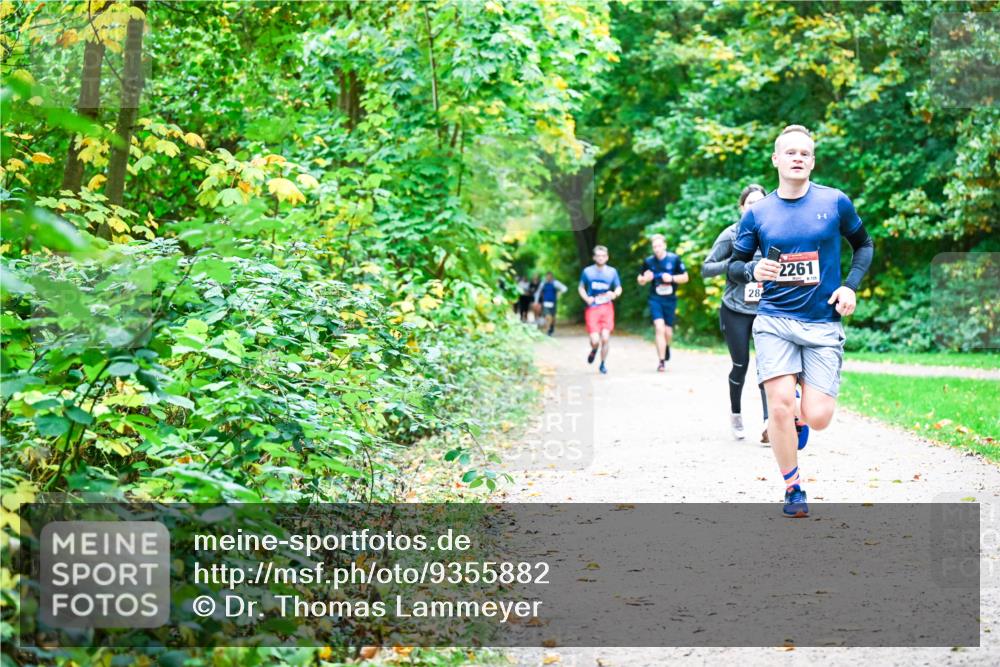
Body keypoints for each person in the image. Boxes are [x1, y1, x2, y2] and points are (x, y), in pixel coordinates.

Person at [729, 125, 874, 518]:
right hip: (775, 320)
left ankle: (799, 411)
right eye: (790, 152)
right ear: (776, 159)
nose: (798, 158)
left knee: (819, 417)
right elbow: (736, 264)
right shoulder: (758, 213)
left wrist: (850, 287)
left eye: (805, 153)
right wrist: (754, 270)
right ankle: (793, 487)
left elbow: (864, 245)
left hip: (822, 323)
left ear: (812, 161)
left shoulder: (835, 202)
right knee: (776, 405)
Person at [702, 184, 770, 441]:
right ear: (742, 207)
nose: (756, 207)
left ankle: (768, 423)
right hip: (735, 310)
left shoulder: (774, 232)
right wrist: (734, 264)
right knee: (741, 365)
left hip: (767, 309)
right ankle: (736, 414)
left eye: (760, 203)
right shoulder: (731, 235)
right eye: (751, 203)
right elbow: (706, 269)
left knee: (768, 367)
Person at [636, 234, 689, 372]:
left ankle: (666, 346)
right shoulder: (648, 261)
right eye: (654, 247)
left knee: (668, 332)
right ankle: (661, 362)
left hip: (670, 299)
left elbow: (685, 278)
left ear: (664, 245)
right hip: (655, 299)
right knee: (659, 327)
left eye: (659, 246)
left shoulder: (674, 259)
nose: (657, 249)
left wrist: (671, 278)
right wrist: (645, 279)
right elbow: (640, 279)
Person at [578, 246, 622, 374]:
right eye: (598, 255)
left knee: (606, 337)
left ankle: (603, 363)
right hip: (593, 308)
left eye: (603, 255)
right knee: (595, 340)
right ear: (594, 257)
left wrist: (614, 294)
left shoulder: (612, 272)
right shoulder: (587, 272)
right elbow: (581, 287)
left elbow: (618, 287)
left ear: (607, 257)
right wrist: (586, 298)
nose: (601, 258)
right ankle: (594, 349)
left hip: (607, 308)